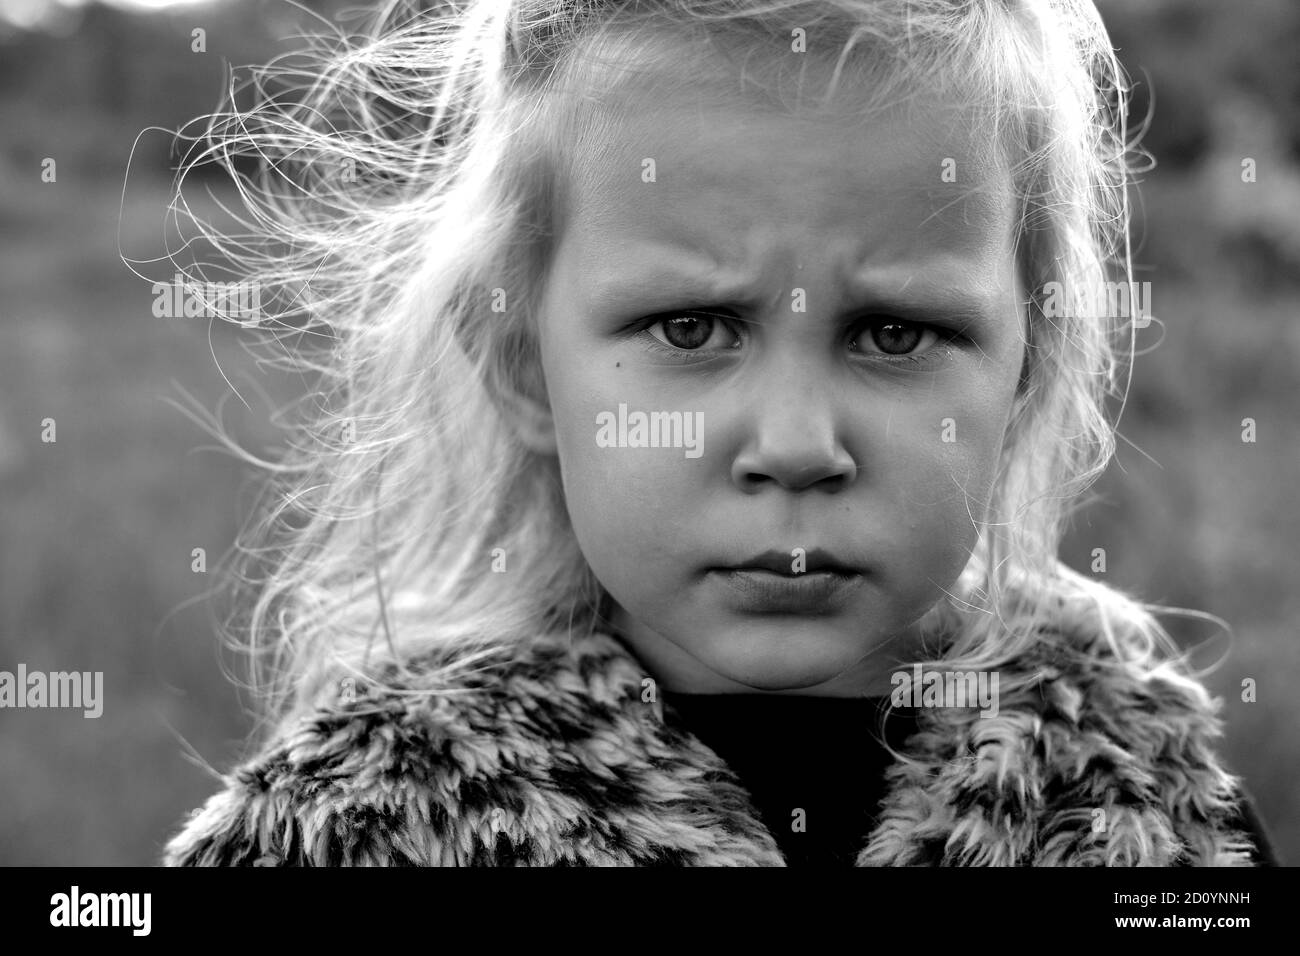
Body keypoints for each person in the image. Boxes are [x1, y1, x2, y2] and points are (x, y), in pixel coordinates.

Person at [160, 0, 1278, 866]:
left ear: (1026, 365)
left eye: (895, 331)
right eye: (691, 326)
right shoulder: (360, 824)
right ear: (519, 362)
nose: (794, 445)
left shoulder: (1149, 815)